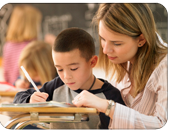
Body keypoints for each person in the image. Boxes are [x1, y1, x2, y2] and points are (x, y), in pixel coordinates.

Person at [72, 2, 168, 130]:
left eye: (116, 43)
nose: (105, 50)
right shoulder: (127, 61)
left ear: (141, 40)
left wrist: (108, 107)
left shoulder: (166, 67)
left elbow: (164, 125)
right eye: (103, 39)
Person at [13, 27, 125, 130]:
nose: (66, 76)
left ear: (92, 62)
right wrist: (30, 100)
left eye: (73, 68)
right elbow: (18, 98)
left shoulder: (111, 96)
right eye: (60, 69)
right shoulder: (57, 85)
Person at [3, 4, 42, 85]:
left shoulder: (8, 45)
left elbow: (6, 73)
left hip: (13, 88)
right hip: (28, 88)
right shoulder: (34, 46)